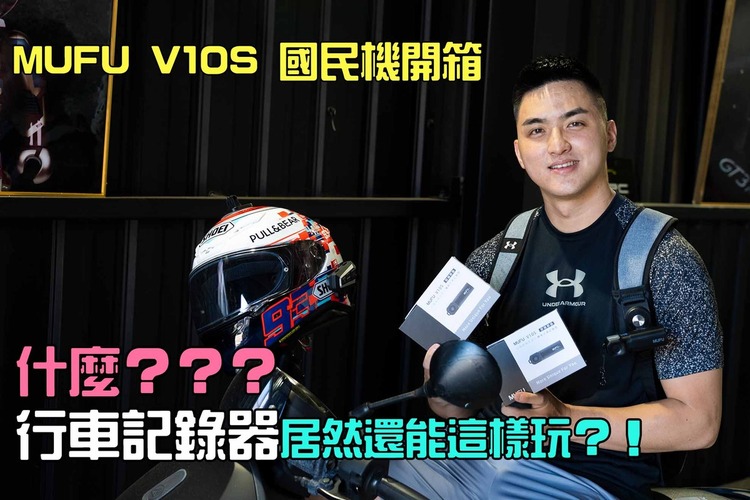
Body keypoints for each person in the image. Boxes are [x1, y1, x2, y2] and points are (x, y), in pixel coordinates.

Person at [387, 54, 724, 499]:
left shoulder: (665, 260)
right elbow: (451, 412)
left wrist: (563, 419)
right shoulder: (497, 257)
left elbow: (699, 424)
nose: (557, 145)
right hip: (486, 462)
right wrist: (446, 390)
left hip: (597, 482)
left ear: (609, 134)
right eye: (537, 131)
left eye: (575, 123)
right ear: (519, 153)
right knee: (358, 474)